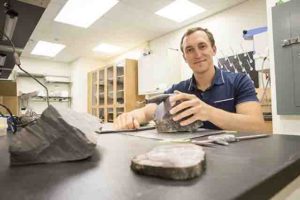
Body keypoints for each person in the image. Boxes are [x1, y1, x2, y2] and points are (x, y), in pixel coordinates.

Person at [114, 27, 266, 132]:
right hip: (190, 159)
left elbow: (256, 125)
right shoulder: (179, 90)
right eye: (190, 50)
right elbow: (149, 111)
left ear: (213, 50)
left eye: (202, 46)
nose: (197, 54)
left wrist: (208, 112)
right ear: (185, 57)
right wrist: (131, 116)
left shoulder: (239, 81)